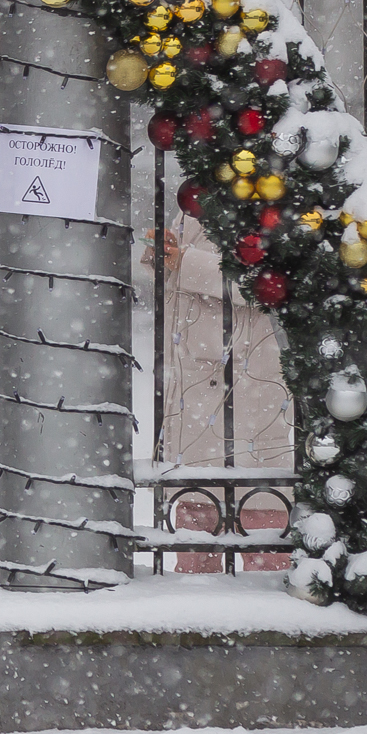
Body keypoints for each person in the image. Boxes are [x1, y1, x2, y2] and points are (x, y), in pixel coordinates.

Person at [143, 213, 293, 573]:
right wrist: (162, 257)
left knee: (268, 553)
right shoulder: (195, 205)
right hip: (194, 397)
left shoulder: (274, 203)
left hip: (249, 389)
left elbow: (270, 282)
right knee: (195, 558)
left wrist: (184, 262)